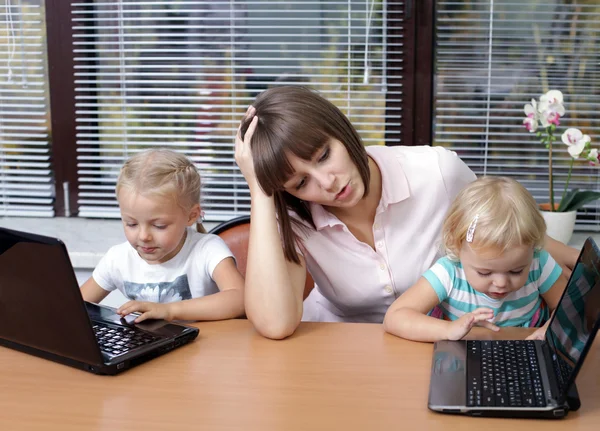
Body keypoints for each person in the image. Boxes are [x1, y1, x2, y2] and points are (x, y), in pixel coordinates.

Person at [234, 85, 579, 340]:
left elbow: (509, 233)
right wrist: (259, 188)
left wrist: (583, 266)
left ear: (340, 129)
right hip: (338, 348)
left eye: (325, 155)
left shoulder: (437, 171)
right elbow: (275, 324)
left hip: (432, 345)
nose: (326, 183)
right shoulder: (294, 216)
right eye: (300, 182)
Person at [383, 177, 568, 342]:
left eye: (516, 270)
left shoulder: (539, 263)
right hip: (461, 357)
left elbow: (570, 309)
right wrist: (449, 329)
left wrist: (550, 329)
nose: (501, 283)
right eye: (484, 272)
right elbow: (395, 317)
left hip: (523, 352)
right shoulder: (450, 272)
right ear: (457, 247)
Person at [81, 149, 245, 322]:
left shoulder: (208, 249)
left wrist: (169, 310)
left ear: (191, 215)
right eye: (131, 224)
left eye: (159, 226)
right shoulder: (117, 259)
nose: (144, 236)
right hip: (151, 347)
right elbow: (73, 306)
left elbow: (240, 299)